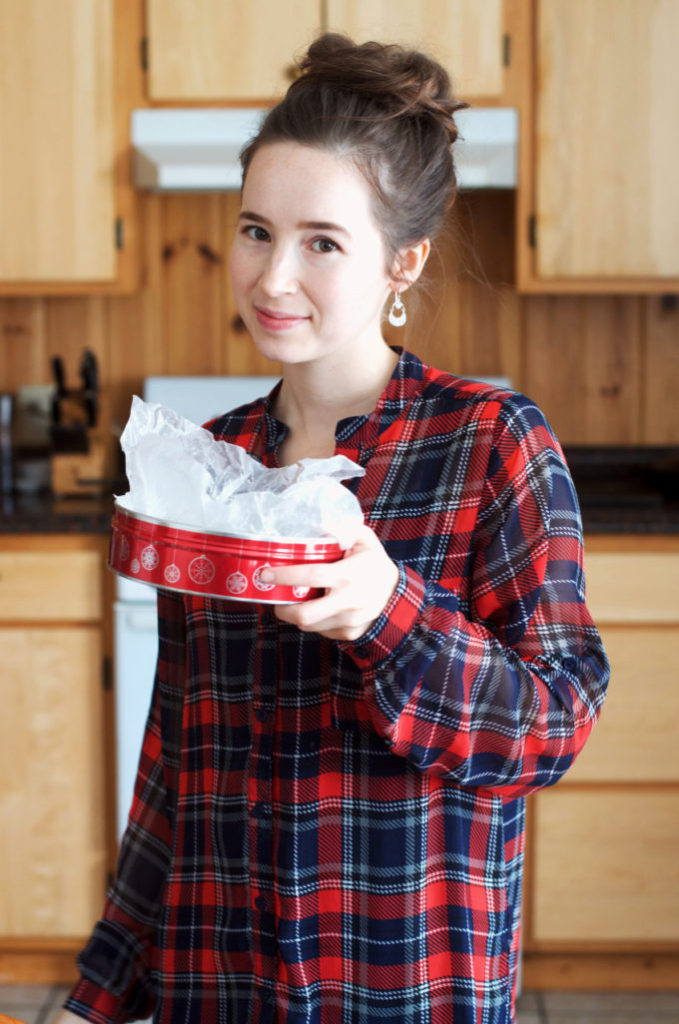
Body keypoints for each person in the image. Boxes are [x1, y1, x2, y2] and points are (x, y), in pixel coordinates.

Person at [58, 33, 609, 1024]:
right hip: (216, 984)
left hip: (406, 987)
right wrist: (93, 1000)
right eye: (255, 230)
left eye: (321, 241)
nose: (272, 278)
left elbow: (554, 723)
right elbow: (168, 779)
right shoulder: (210, 467)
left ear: (404, 259)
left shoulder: (490, 442)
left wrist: (387, 612)